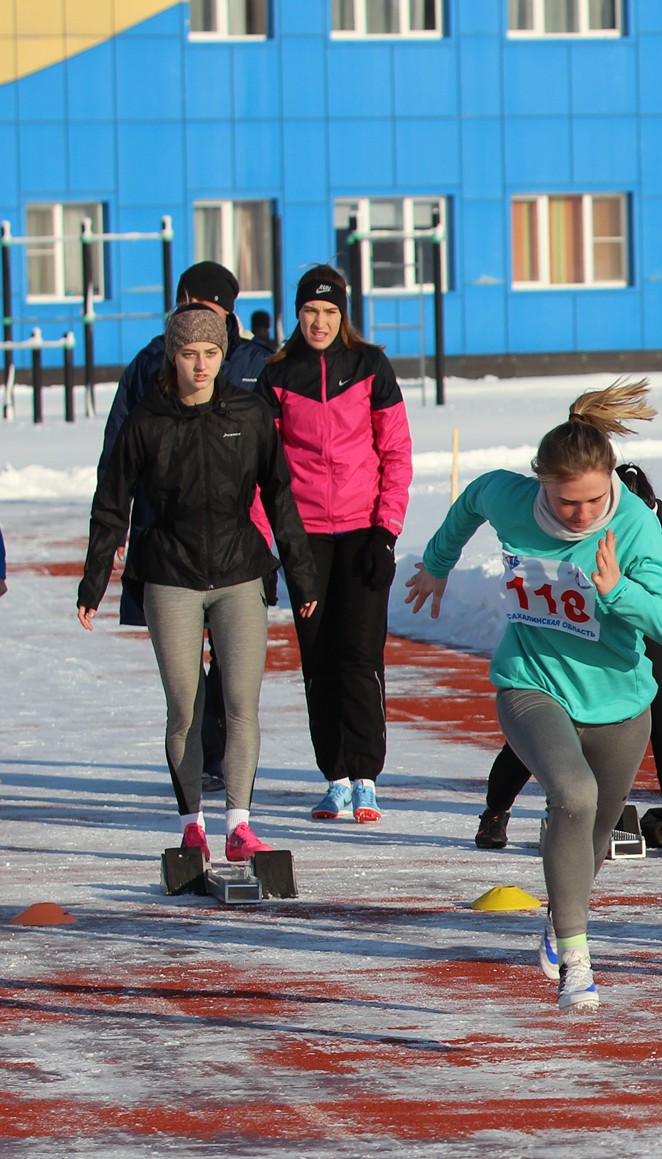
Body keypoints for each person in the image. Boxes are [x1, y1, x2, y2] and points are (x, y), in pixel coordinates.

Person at [403, 381, 662, 1011]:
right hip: (530, 683)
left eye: (595, 500)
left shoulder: (635, 525)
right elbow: (473, 498)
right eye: (568, 503)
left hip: (620, 701)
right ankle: (579, 964)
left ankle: (561, 922)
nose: (584, 515)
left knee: (589, 831)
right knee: (574, 793)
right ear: (542, 484)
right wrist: (437, 562)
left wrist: (619, 593)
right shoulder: (510, 498)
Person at [76, 304, 319, 863]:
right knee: (184, 706)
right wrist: (94, 584)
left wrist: (302, 574)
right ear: (173, 356)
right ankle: (192, 824)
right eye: (189, 354)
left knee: (241, 703)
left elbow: (280, 497)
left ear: (223, 355)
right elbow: (110, 505)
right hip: (170, 576)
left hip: (239, 572)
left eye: (211, 353)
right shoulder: (147, 422)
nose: (201, 365)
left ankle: (239, 823)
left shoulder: (249, 413)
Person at [100, 260, 275, 792]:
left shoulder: (255, 363)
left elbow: (271, 461)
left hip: (237, 541)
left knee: (235, 669)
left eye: (215, 311)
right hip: (167, 543)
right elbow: (119, 455)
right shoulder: (148, 365)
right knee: (185, 682)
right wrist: (119, 533)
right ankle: (197, 776)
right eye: (193, 306)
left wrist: (270, 535)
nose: (200, 358)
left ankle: (226, 768)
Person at [475, 462, 662, 860]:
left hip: (632, 615)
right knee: (544, 723)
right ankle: (496, 810)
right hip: (579, 622)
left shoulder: (649, 519)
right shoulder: (574, 511)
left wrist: (633, 602)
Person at [260, 266, 413, 825]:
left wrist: (386, 530)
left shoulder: (370, 366)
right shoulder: (277, 375)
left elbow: (395, 453)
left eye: (329, 313)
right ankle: (336, 777)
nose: (319, 322)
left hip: (361, 534)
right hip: (304, 541)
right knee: (318, 657)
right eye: (310, 312)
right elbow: (264, 469)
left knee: (360, 655)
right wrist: (267, 545)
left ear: (343, 315)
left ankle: (367, 776)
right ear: (296, 314)